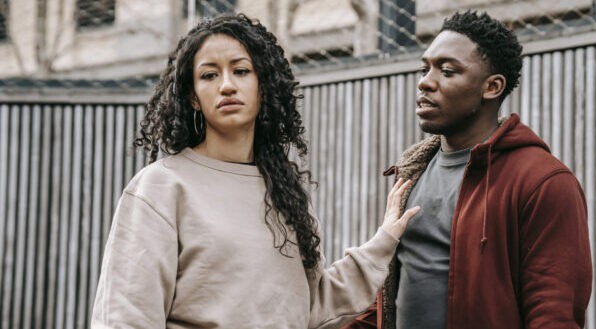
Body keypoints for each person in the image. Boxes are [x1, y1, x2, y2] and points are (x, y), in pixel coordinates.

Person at [91, 13, 420, 329]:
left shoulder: (286, 194)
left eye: (241, 71)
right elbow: (126, 317)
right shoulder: (161, 187)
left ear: (264, 85)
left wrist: (384, 240)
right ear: (193, 97)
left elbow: (309, 308)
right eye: (209, 75)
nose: (227, 85)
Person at [345, 10, 592, 329]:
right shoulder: (413, 171)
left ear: (492, 87)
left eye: (447, 71)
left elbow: (553, 313)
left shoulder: (542, 181)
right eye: (425, 68)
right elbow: (390, 295)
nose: (425, 82)